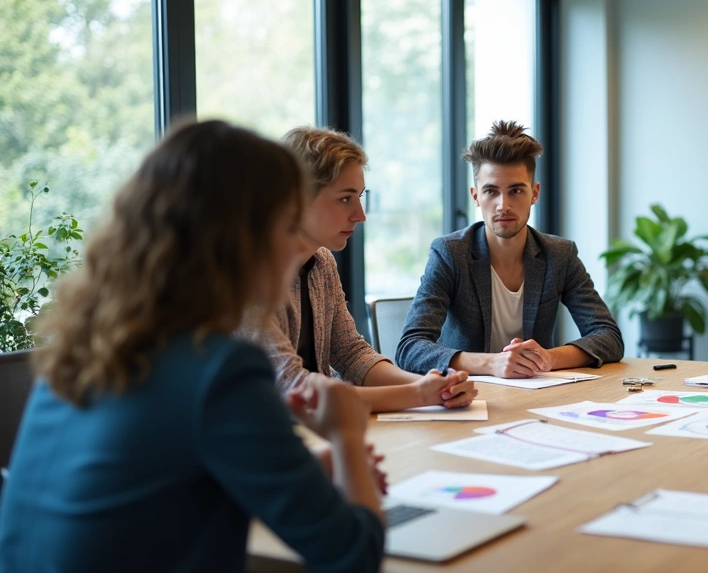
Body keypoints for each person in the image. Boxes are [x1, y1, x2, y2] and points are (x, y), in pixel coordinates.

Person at [0, 121, 384, 572]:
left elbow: (158, 475)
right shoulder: (221, 368)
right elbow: (354, 556)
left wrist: (300, 464)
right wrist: (346, 436)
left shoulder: (86, 348)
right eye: (287, 226)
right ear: (242, 240)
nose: (297, 244)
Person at [240, 126, 477, 412]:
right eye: (345, 199)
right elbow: (295, 389)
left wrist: (432, 384)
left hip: (321, 431)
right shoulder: (248, 273)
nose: (360, 215)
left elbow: (351, 354)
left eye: (360, 197)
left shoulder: (322, 262)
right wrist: (418, 395)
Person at [396, 120, 623, 377]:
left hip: (535, 395)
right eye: (491, 191)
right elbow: (410, 348)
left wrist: (547, 358)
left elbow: (608, 336)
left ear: (534, 194)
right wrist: (492, 363)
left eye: (516, 190)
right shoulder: (450, 253)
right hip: (466, 395)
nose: (503, 205)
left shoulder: (559, 255)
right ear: (475, 197)